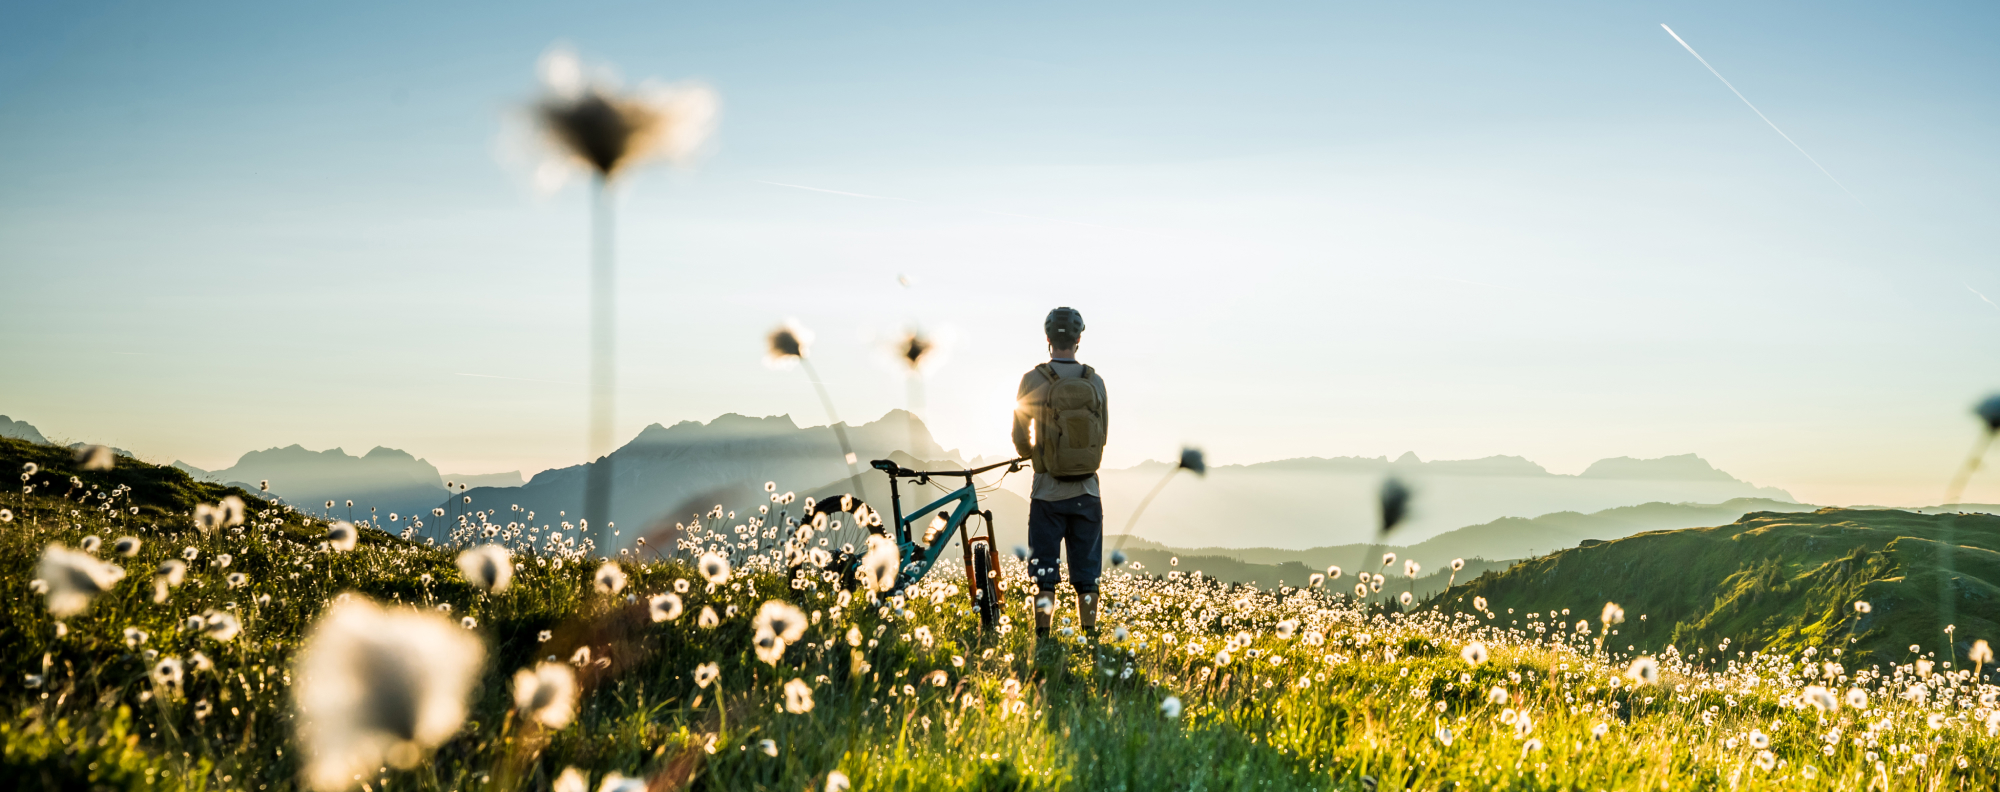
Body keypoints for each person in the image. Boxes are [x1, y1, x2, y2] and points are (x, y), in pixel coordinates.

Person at [1011, 306, 1109, 639]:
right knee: (1087, 574)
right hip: (1087, 492)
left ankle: (1043, 638)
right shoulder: (1094, 381)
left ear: (1048, 338)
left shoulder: (1033, 379)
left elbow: (1018, 433)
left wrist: (1035, 456)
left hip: (1046, 493)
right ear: (1079, 339)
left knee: (1045, 572)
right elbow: (1104, 435)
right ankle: (1090, 635)